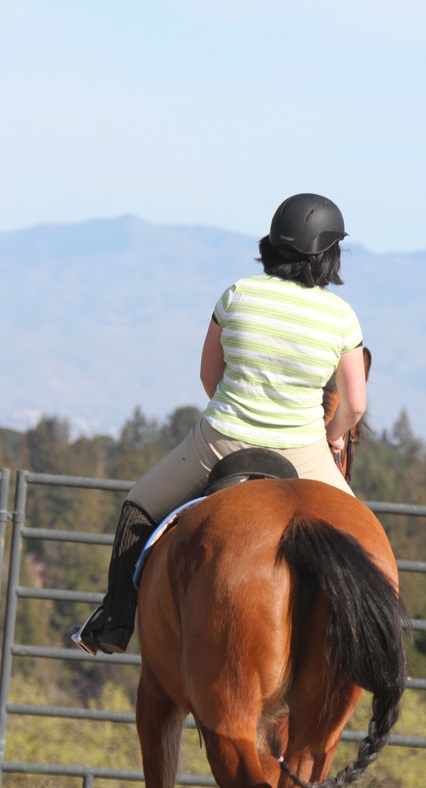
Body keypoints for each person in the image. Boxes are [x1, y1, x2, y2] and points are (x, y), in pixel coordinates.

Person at [74, 192, 367, 655]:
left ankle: (113, 622)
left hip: (222, 439)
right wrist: (328, 440)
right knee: (364, 539)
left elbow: (209, 374)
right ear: (327, 255)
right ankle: (372, 646)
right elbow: (353, 405)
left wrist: (237, 414)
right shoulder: (342, 318)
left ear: (273, 246)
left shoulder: (238, 294)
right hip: (304, 451)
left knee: (140, 505)